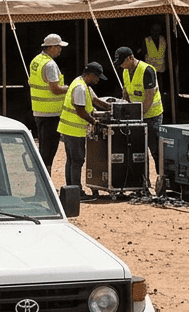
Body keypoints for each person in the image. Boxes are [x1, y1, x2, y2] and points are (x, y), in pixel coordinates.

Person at [58, 62, 113, 198]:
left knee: (72, 161)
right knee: (77, 161)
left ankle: (71, 190)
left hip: (69, 129)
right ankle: (77, 192)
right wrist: (93, 121)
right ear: (90, 75)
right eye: (97, 77)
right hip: (74, 130)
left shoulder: (82, 84)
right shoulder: (80, 88)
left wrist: (111, 108)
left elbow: (95, 100)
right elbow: (80, 110)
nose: (98, 80)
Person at [115, 45, 163, 175]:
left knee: (155, 150)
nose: (121, 66)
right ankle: (143, 181)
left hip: (152, 116)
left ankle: (162, 178)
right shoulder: (125, 71)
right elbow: (126, 91)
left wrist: (139, 116)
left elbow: (149, 97)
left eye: (122, 62)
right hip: (136, 116)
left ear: (130, 58)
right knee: (138, 151)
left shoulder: (147, 70)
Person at [28, 33, 69, 172]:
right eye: (58, 47)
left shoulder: (36, 60)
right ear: (50, 47)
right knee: (49, 151)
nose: (60, 50)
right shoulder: (50, 65)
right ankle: (45, 179)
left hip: (39, 111)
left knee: (44, 148)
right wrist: (69, 88)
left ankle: (44, 178)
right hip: (51, 113)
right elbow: (55, 89)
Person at [143, 23, 168, 94]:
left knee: (161, 88)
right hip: (150, 68)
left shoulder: (163, 39)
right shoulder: (146, 40)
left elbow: (166, 52)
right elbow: (143, 53)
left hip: (161, 68)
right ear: (151, 31)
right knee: (152, 88)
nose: (155, 32)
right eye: (154, 30)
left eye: (157, 30)